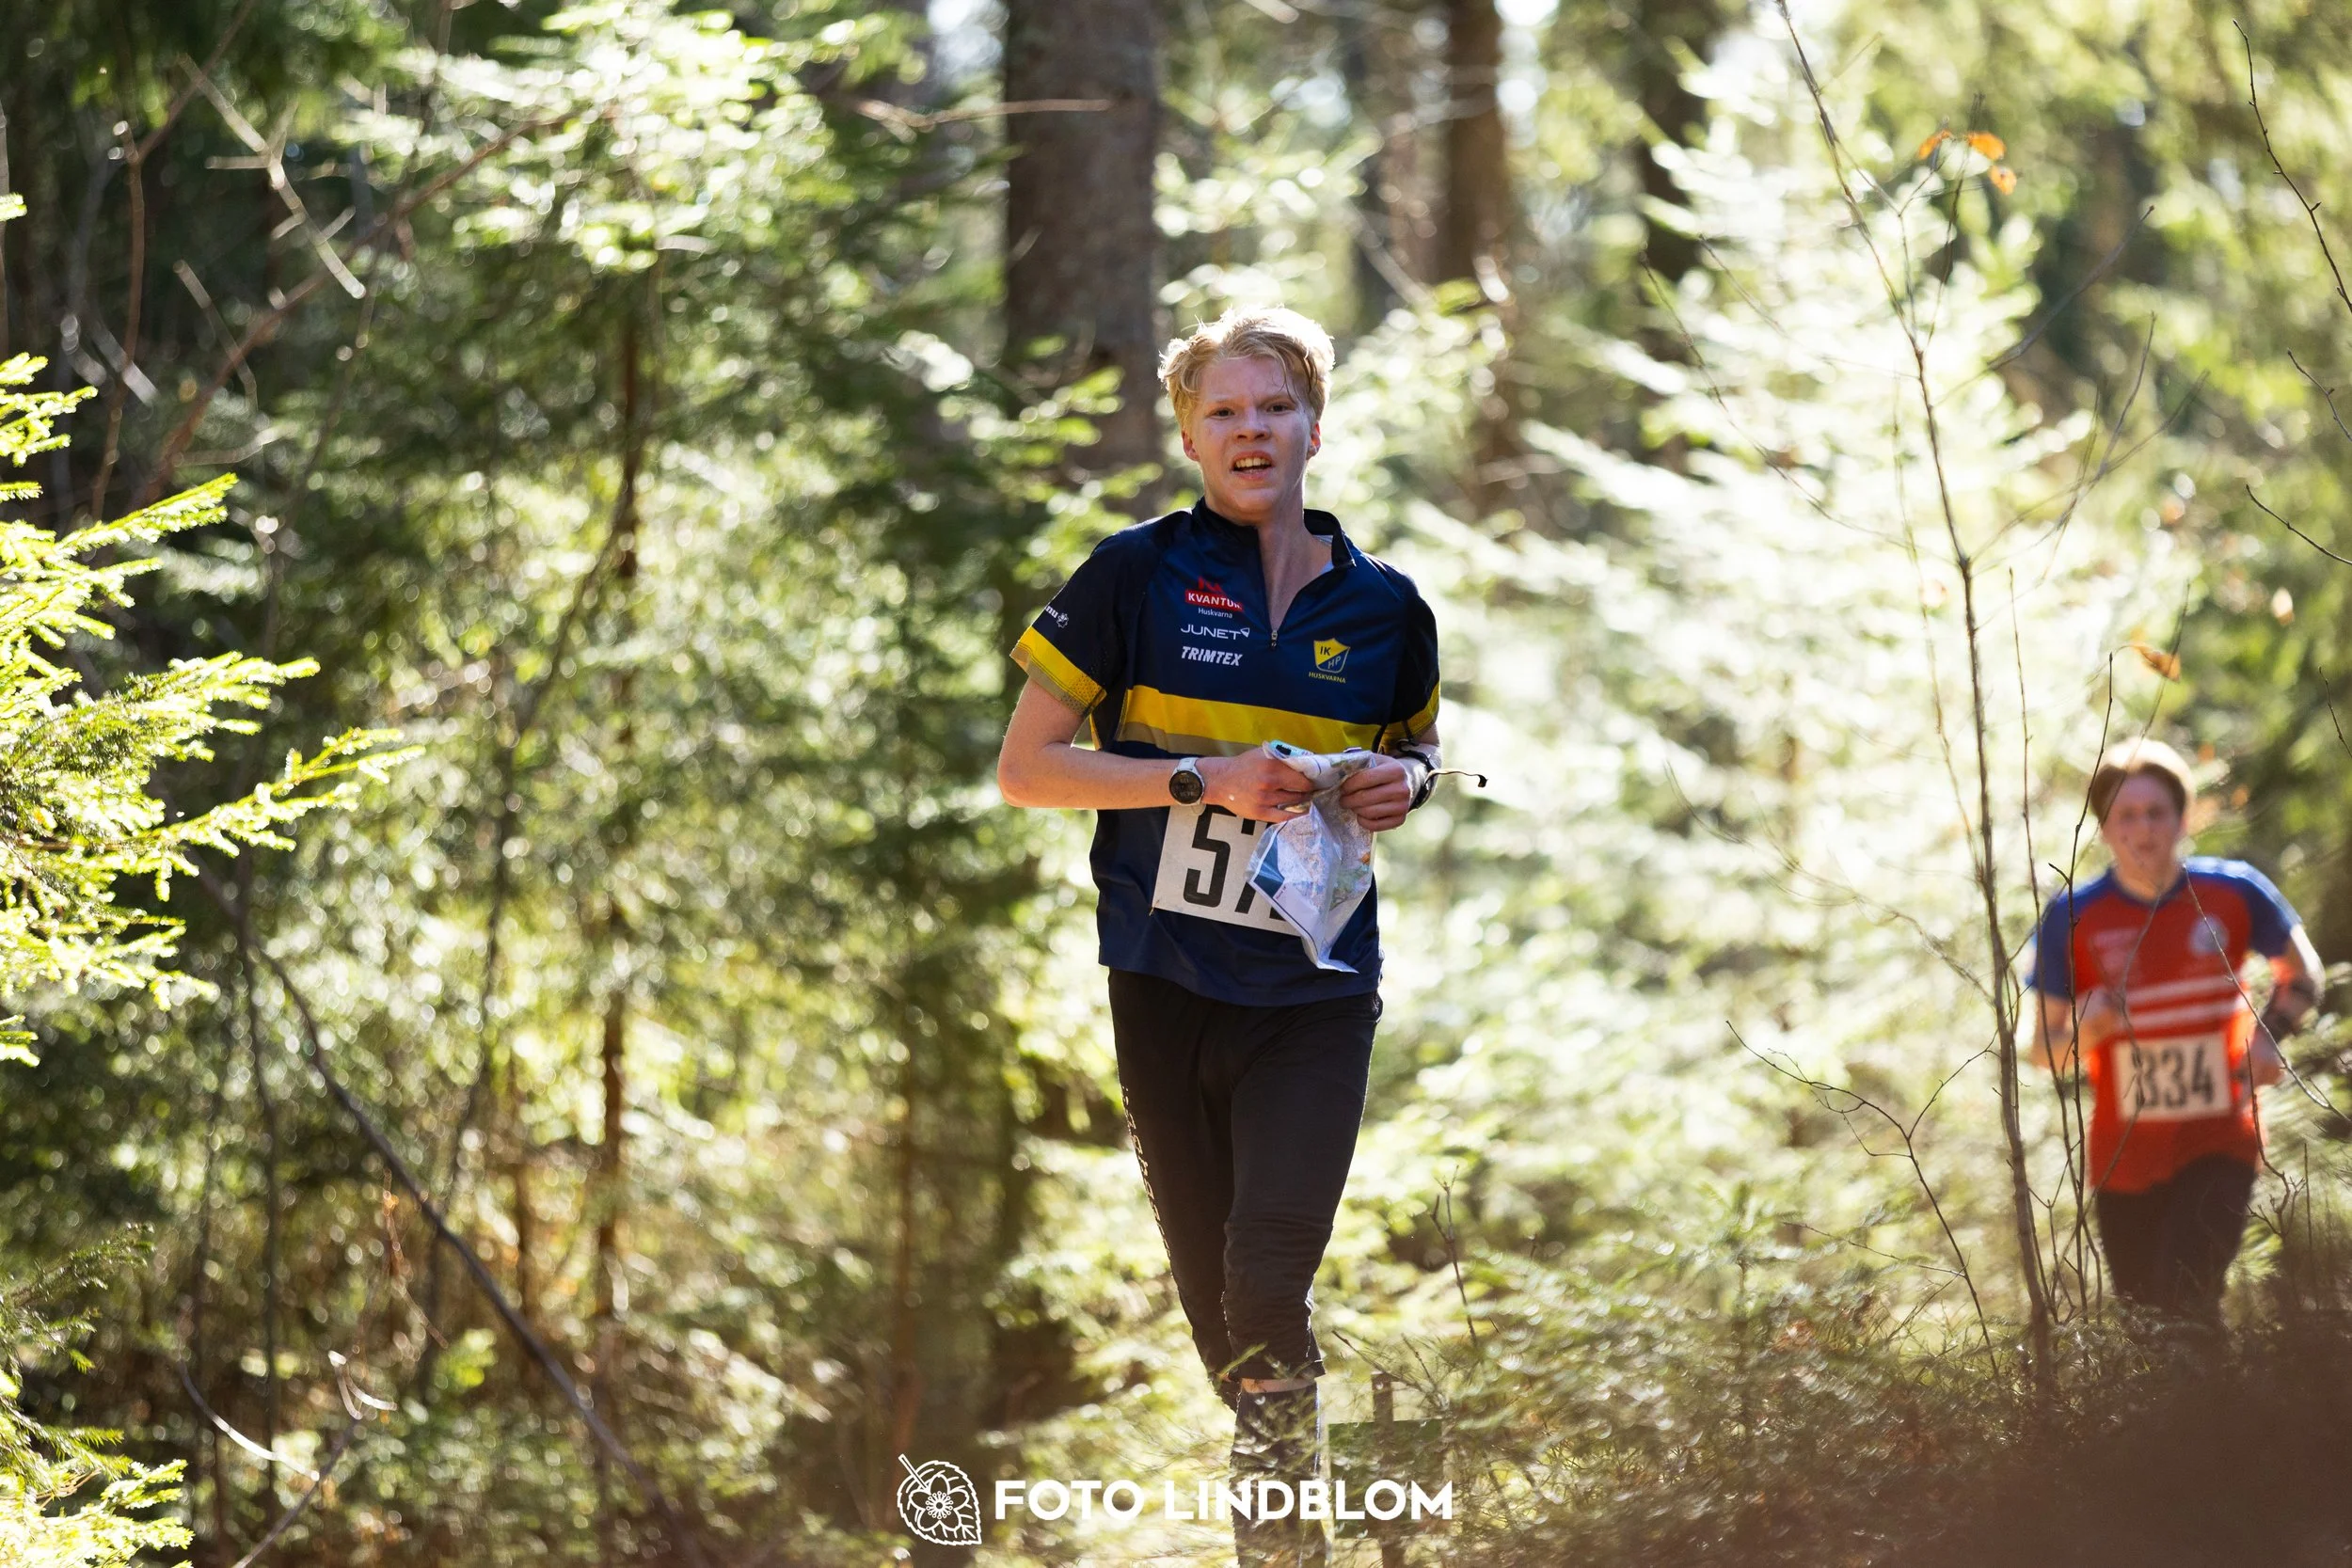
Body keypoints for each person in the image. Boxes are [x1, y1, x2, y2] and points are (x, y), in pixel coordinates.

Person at [996, 306, 1443, 1566]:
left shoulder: (1389, 607)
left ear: (1315, 424)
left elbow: (1414, 753)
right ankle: (1328, 1495)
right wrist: (1204, 779)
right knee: (1229, 1332)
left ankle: (1282, 1549)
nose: (1252, 431)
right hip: (1165, 981)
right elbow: (1028, 769)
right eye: (1225, 411)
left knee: (1267, 1279)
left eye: (1274, 408)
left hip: (1315, 989)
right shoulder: (1132, 574)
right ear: (1190, 432)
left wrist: (1399, 783)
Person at [2028, 737, 2323, 1325]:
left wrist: (2268, 1037)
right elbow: (2042, 1051)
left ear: (2183, 817)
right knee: (2147, 1322)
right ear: (2105, 829)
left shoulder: (2233, 891)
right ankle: (2216, 1414)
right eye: (2125, 816)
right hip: (2124, 1158)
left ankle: (2226, 1417)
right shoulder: (2071, 917)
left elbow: (2304, 976)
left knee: (2188, 1296)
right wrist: (2089, 1029)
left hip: (2220, 1140)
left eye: (2156, 812)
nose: (2143, 830)